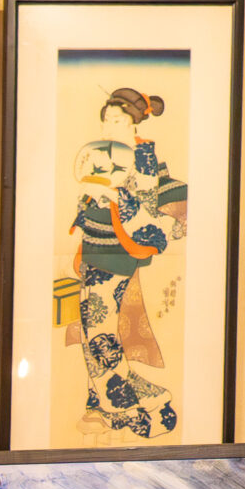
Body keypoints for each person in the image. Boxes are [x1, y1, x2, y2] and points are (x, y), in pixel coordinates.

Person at [65, 86, 188, 440]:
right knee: (93, 330)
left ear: (134, 123)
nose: (109, 127)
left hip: (116, 251)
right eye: (106, 120)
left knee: (99, 333)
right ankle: (100, 404)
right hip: (94, 247)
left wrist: (111, 194)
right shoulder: (104, 151)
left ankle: (122, 406)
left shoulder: (141, 156)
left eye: (117, 120)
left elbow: (145, 204)